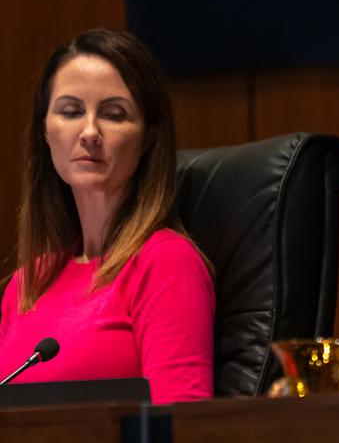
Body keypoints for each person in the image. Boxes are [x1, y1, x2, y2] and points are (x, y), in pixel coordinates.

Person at [0, 28, 215, 404]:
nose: (89, 132)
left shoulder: (165, 262)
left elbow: (181, 426)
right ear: (44, 132)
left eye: (114, 114)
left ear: (148, 138)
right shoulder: (25, 283)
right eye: (70, 111)